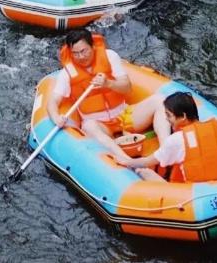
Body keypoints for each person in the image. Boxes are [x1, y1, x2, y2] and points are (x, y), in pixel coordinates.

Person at [47, 29, 171, 163]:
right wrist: (55, 117)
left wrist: (108, 84)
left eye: (84, 51)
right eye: (75, 53)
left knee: (160, 100)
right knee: (88, 126)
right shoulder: (66, 74)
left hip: (124, 114)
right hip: (100, 125)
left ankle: (166, 150)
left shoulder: (110, 57)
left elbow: (127, 87)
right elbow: (53, 101)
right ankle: (128, 162)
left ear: (93, 46)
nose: (81, 57)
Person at [120, 91, 217, 183]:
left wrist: (126, 161)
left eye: (169, 115)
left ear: (183, 116)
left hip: (192, 193)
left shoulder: (176, 140)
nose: (167, 119)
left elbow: (146, 162)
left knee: (143, 171)